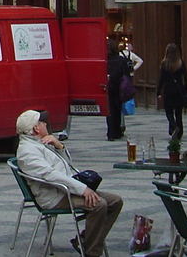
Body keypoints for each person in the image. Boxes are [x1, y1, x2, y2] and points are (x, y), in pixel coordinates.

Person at [16, 109, 123, 257]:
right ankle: (92, 252)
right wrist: (83, 189)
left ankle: (85, 240)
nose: (46, 124)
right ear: (36, 128)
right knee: (99, 205)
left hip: (66, 189)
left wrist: (59, 146)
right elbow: (51, 175)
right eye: (43, 123)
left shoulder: (40, 143)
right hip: (55, 197)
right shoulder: (28, 151)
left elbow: (67, 166)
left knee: (115, 201)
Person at [156, 43, 187, 140]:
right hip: (179, 90)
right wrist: (185, 89)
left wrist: (158, 91)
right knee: (178, 113)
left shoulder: (164, 64)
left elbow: (161, 79)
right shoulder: (180, 63)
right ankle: (179, 132)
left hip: (168, 91)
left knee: (169, 112)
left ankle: (174, 126)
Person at [105, 39, 129, 141]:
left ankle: (111, 132)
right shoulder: (121, 60)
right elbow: (126, 73)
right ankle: (117, 131)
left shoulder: (105, 60)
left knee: (110, 110)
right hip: (119, 87)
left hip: (108, 86)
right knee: (118, 109)